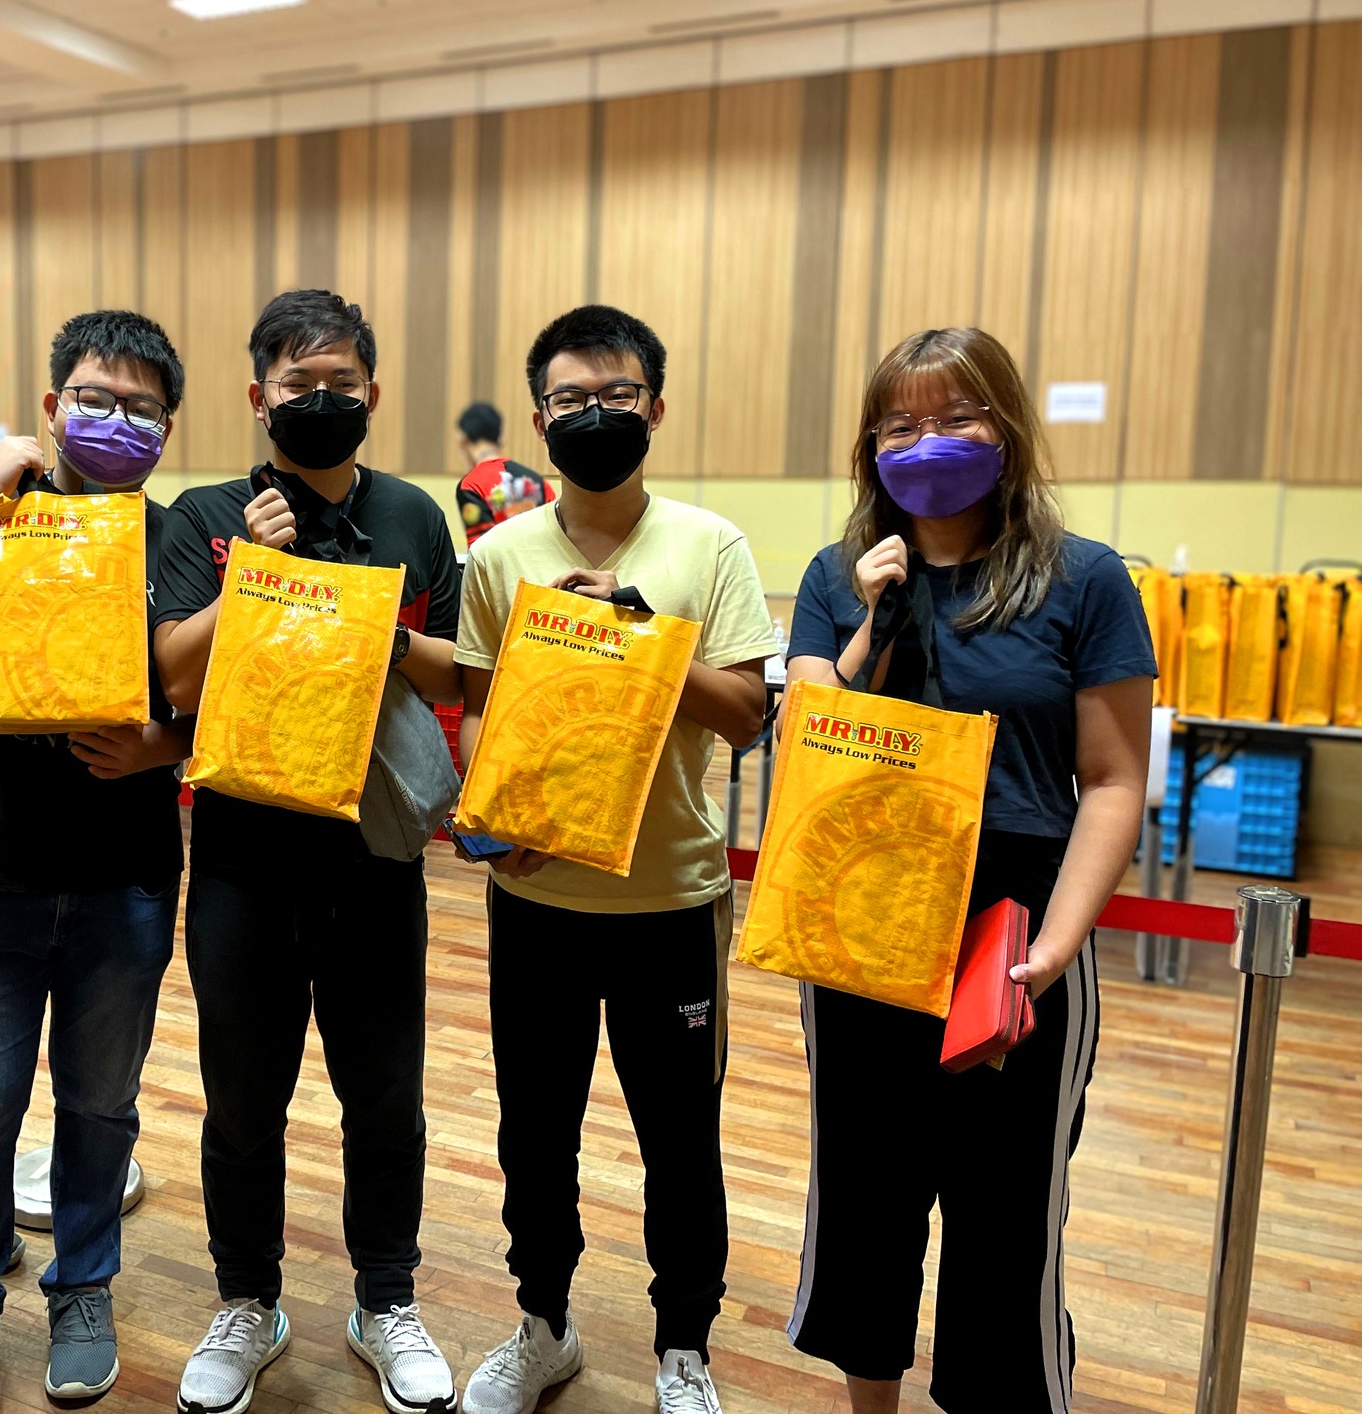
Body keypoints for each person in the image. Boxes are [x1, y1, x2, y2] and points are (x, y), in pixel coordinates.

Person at [781, 327, 1153, 1414]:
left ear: (1005, 426)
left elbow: (1113, 778)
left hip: (1010, 934)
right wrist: (873, 620)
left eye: (954, 417)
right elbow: (812, 740)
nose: (926, 441)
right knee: (865, 1199)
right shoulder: (833, 578)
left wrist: (1050, 950)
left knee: (1003, 1212)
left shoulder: (1081, 580)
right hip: (862, 925)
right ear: (867, 445)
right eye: (899, 424)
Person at [453, 305, 776, 1414]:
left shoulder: (708, 546)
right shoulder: (496, 557)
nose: (595, 416)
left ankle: (681, 1349)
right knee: (532, 1133)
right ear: (539, 419)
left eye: (618, 397)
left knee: (679, 1140)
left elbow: (744, 715)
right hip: (535, 899)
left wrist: (643, 636)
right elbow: (481, 720)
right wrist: (492, 822)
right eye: (572, 401)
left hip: (671, 900)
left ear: (655, 406)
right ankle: (541, 1325)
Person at [151, 288, 464, 1414]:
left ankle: (385, 1300)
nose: (319, 401)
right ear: (256, 397)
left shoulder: (416, 518)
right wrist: (248, 578)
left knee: (383, 1097)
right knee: (244, 1100)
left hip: (374, 856)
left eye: (339, 384)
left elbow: (456, 677)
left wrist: (383, 628)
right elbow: (173, 678)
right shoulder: (203, 515)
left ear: (370, 396)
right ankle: (249, 1301)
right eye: (296, 384)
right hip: (240, 854)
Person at [0, 310, 193, 1414]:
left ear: (169, 427)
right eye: (94, 399)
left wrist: (156, 747)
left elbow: (208, 698)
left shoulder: (173, 536)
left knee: (99, 1106)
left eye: (141, 408)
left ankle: (83, 1290)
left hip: (124, 872)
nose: (116, 421)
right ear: (51, 405)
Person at [454, 402, 553, 547]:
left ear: (464, 441)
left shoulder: (470, 486)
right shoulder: (539, 482)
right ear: (501, 438)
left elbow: (481, 551)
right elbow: (557, 534)